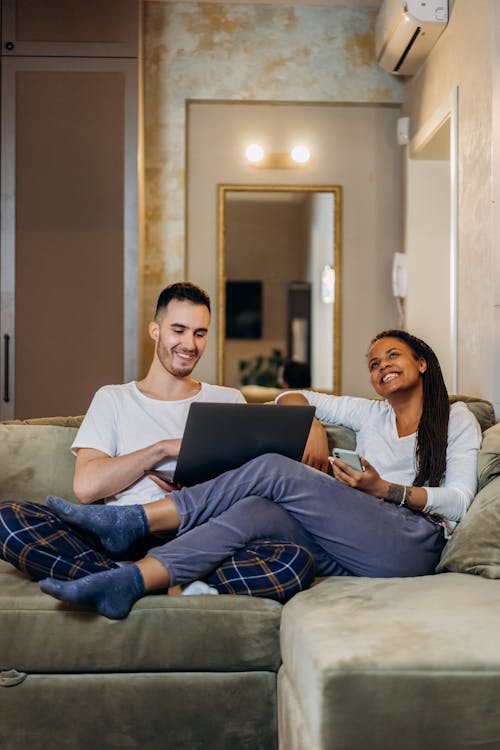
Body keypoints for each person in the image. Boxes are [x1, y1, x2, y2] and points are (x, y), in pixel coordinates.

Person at [36, 329, 482, 620]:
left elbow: (460, 501)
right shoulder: (370, 414)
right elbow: (290, 394)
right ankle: (130, 582)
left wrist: (387, 489)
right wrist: (308, 421)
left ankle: (136, 521)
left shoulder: (457, 418)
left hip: (414, 543)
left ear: (422, 362)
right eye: (372, 362)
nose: (381, 365)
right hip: (358, 541)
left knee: (272, 469)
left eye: (392, 355)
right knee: (254, 510)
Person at [0, 282, 315, 600]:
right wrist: (160, 450)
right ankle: (160, 582)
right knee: (8, 519)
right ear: (155, 330)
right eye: (178, 330)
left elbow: (252, 487)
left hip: (203, 538)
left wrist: (197, 490)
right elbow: (86, 487)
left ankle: (130, 582)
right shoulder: (114, 398)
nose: (189, 344)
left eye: (200, 333)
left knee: (294, 561)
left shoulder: (228, 400)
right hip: (121, 539)